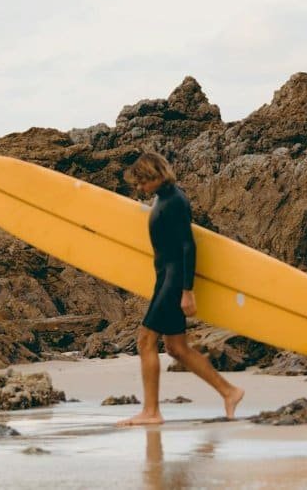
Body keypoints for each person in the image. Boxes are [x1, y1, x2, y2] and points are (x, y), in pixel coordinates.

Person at [115, 151, 244, 426]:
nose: (138, 188)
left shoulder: (175, 201)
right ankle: (229, 391)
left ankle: (151, 412)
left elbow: (188, 246)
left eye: (141, 183)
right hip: (165, 278)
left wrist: (187, 291)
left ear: (155, 176)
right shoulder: (164, 196)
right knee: (176, 348)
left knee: (145, 341)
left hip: (173, 281)